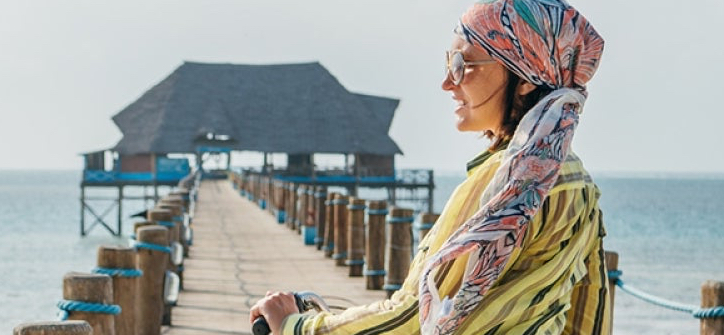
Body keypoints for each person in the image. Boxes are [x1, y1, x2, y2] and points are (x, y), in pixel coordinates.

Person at [249, 1, 609, 334]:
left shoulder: (508, 183)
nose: (447, 82)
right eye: (448, 63)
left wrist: (296, 325)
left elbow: (412, 317)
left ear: (526, 77)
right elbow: (589, 313)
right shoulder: (578, 182)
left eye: (463, 64)